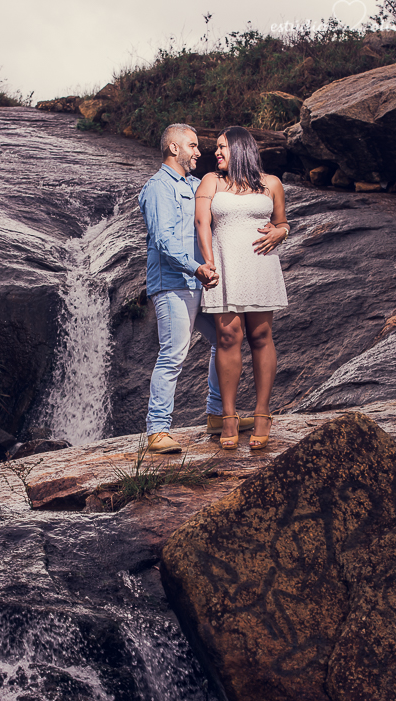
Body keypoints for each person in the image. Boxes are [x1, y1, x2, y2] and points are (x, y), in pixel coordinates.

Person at [139, 123, 254, 454]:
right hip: (176, 283)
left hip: (202, 281)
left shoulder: (196, 185)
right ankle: (157, 430)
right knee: (173, 353)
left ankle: (217, 414)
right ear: (174, 149)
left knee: (225, 339)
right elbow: (163, 240)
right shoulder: (159, 187)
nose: (199, 152)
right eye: (193, 146)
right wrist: (196, 268)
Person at [195, 125, 289, 451]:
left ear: (241, 148)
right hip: (225, 267)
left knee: (261, 337)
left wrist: (281, 233)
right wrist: (208, 263)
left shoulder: (272, 183)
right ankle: (229, 417)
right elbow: (202, 222)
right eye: (216, 148)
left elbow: (282, 223)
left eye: (222, 147)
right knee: (228, 338)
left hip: (260, 266)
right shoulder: (212, 181)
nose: (216, 153)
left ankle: (262, 414)